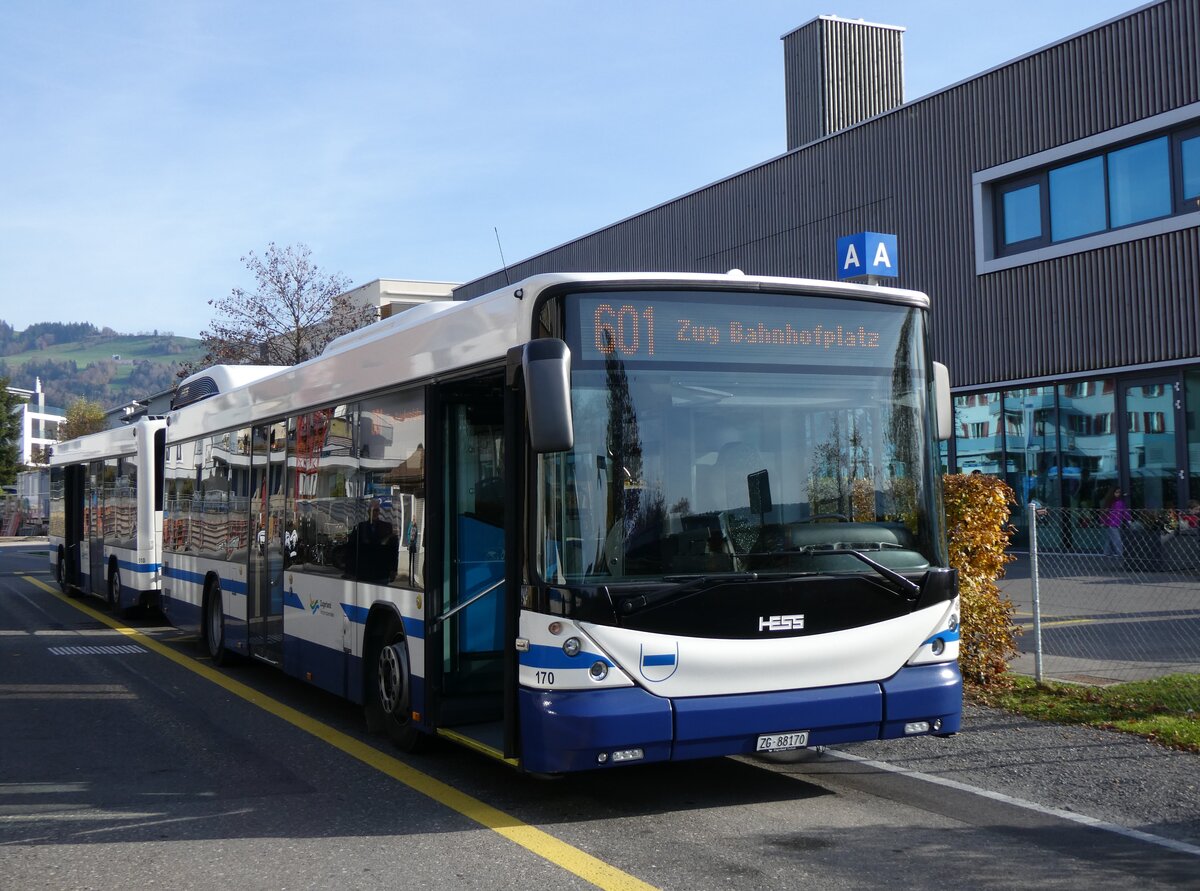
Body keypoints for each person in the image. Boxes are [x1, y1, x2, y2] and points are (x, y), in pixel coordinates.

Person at [346, 499, 398, 582]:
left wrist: (393, 570)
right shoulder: (361, 526)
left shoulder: (386, 527)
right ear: (368, 512)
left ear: (379, 512)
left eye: (376, 510)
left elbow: (392, 550)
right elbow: (352, 548)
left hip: (381, 571)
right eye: (372, 511)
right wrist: (350, 571)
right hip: (365, 571)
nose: (374, 513)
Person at [1101, 487, 1129, 557]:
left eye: (1119, 492)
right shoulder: (1109, 502)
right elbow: (1104, 514)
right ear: (1112, 493)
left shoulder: (1120, 502)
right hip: (1111, 523)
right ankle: (1121, 553)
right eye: (1116, 492)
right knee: (1117, 538)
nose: (1118, 494)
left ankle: (1107, 552)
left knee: (1110, 538)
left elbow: (1124, 511)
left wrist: (1128, 519)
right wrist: (1102, 521)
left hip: (1116, 523)